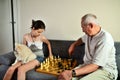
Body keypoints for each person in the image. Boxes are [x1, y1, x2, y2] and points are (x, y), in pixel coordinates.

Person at [58, 14, 118, 80]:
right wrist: (73, 45)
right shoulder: (89, 34)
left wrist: (71, 73)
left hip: (105, 70)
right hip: (88, 66)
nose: (82, 30)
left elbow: (95, 65)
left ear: (91, 25)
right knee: (63, 77)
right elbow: (81, 39)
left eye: (83, 27)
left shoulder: (105, 39)